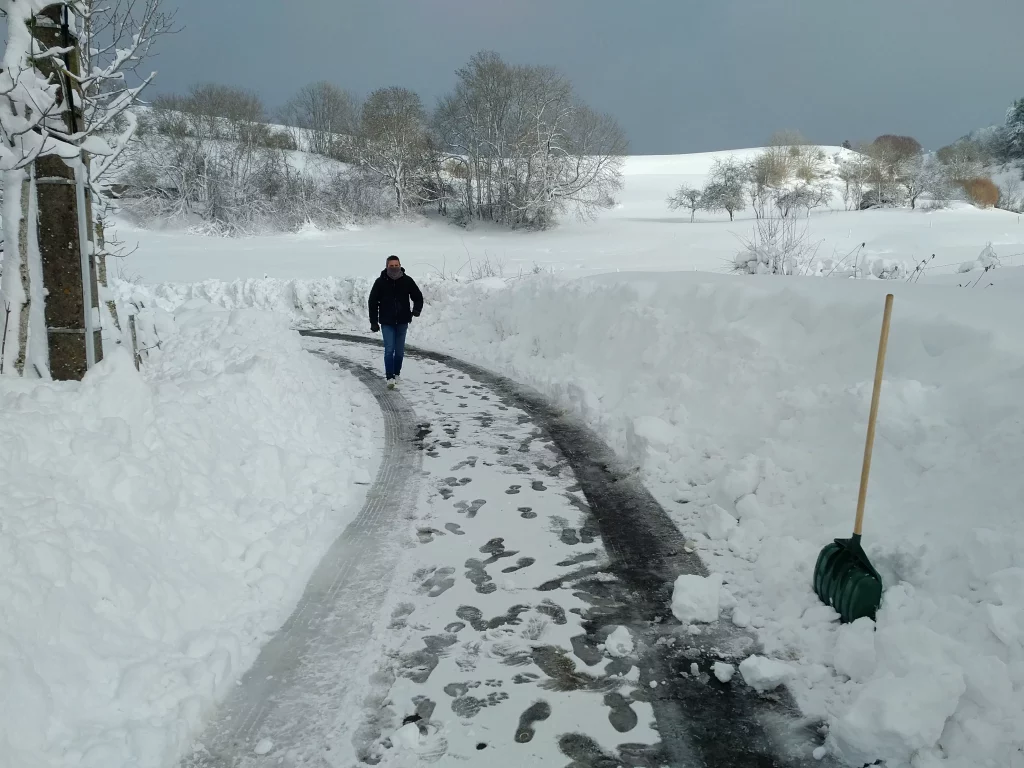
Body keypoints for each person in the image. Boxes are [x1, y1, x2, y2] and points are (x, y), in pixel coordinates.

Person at [368, 255, 423, 389]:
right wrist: (374, 322)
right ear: (387, 266)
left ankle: (397, 373)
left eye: (396, 265)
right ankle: (390, 377)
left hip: (403, 321)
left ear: (400, 265)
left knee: (399, 351)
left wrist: (416, 310)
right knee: (389, 349)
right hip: (387, 322)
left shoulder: (407, 281)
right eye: (391, 266)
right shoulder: (380, 282)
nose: (394, 268)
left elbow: (418, 297)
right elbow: (372, 302)